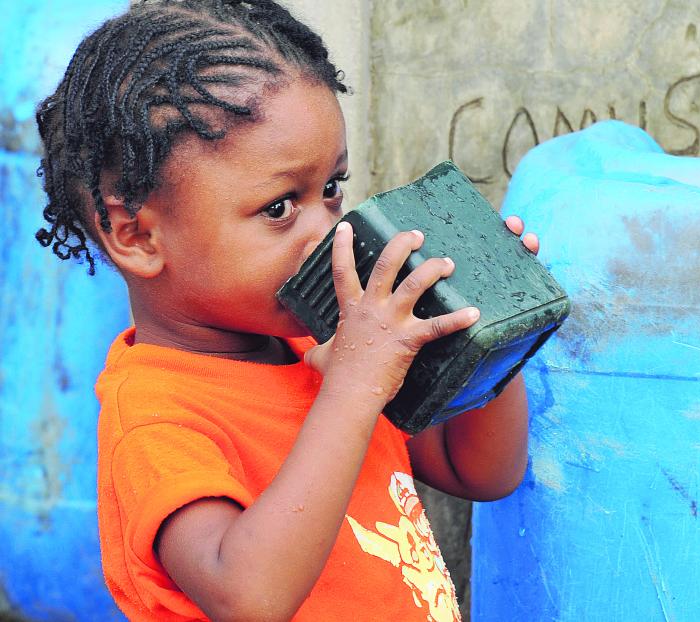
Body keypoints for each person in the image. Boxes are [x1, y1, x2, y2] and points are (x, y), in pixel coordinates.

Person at [34, 1, 538, 620]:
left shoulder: (326, 349)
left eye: (332, 189)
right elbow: (248, 597)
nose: (330, 232)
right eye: (280, 208)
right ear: (136, 235)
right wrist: (354, 384)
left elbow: (480, 471)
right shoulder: (159, 418)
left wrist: (490, 328)